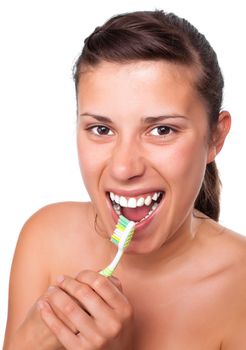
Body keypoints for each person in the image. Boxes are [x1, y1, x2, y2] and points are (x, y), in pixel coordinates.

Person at [3, 9, 246, 350]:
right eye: (101, 129)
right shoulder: (45, 237)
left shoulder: (241, 287)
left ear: (215, 138)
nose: (123, 168)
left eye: (162, 130)